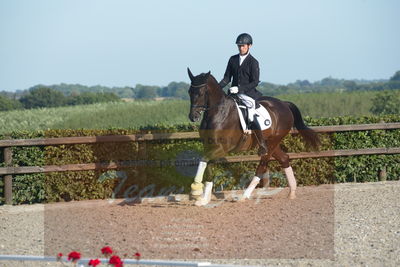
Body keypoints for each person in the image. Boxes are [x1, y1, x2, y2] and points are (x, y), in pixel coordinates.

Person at [219, 33, 268, 155]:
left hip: (249, 94)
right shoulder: (232, 59)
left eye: (243, 46)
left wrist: (240, 89)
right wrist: (217, 87)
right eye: (239, 46)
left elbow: (255, 81)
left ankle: (261, 143)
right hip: (233, 93)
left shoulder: (253, 62)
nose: (241, 48)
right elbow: (226, 78)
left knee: (251, 112)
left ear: (249, 46)